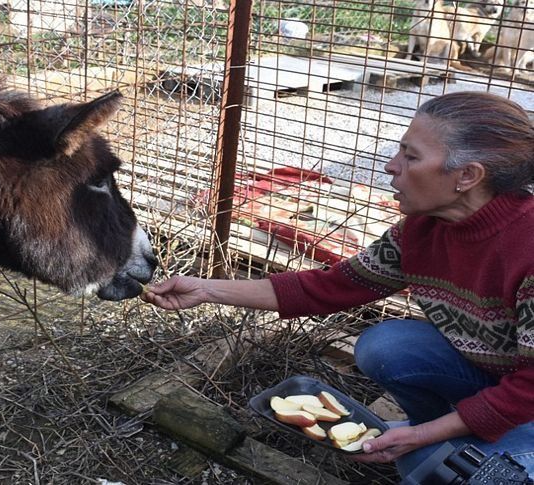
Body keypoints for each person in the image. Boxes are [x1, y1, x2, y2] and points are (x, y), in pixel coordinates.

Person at [141, 91, 534, 478]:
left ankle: (454, 445)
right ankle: (446, 437)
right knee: (387, 346)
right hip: (503, 380)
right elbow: (332, 286)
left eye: (411, 157)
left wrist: (422, 439)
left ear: (468, 175)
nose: (390, 166)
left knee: (420, 466)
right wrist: (208, 290)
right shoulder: (423, 231)